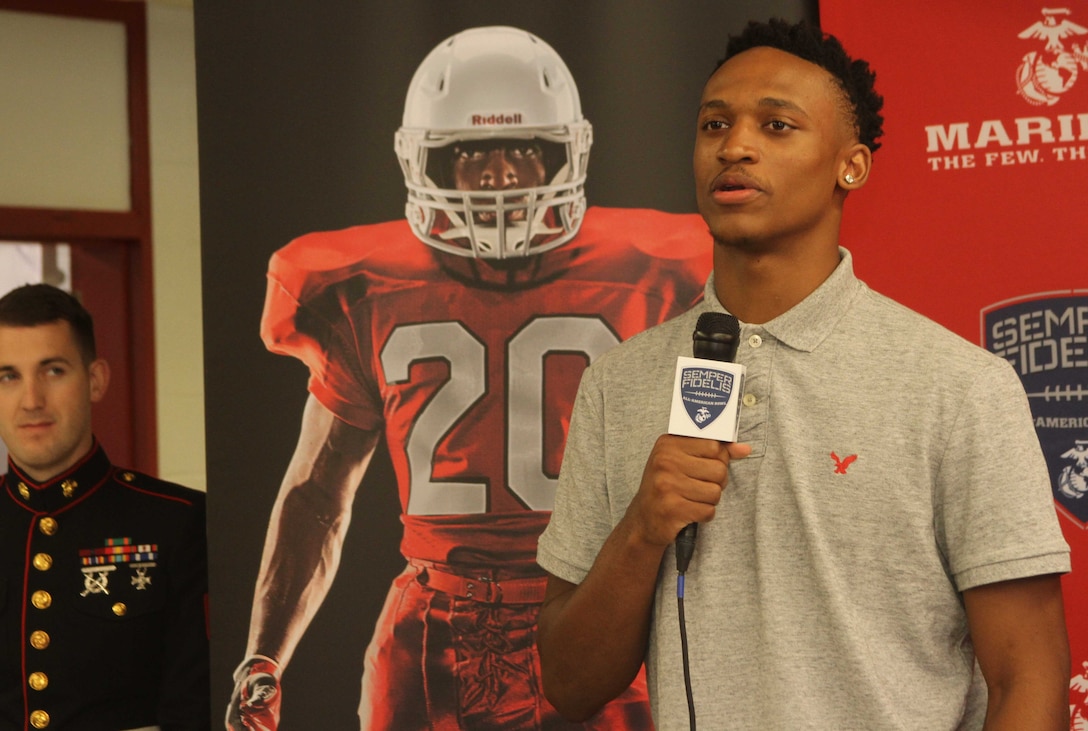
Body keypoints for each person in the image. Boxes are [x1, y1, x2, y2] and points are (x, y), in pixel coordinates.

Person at [536, 18, 1072, 731]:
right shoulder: (619, 383)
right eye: (714, 124)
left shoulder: (959, 386)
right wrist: (643, 527)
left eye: (777, 125)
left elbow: (1028, 680)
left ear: (851, 165)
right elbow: (569, 683)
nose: (735, 146)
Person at [225, 25, 712, 731]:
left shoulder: (662, 271)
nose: (499, 179)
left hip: (601, 601)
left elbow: (711, 486)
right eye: (469, 156)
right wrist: (264, 656)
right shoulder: (366, 291)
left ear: (567, 153)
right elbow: (317, 495)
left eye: (524, 152)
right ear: (422, 162)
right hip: (434, 624)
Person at [0, 283, 211, 731]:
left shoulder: (178, 522)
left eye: (53, 371)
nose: (31, 400)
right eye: (7, 376)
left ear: (95, 380)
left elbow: (193, 709)